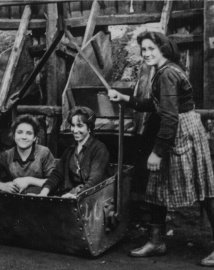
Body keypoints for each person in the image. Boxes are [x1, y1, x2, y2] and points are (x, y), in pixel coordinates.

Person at [108, 31, 214, 267]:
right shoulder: (164, 70)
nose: (146, 54)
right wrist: (125, 99)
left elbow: (168, 117)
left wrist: (157, 152)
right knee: (156, 185)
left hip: (181, 133)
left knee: (204, 188)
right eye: (143, 50)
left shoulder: (167, 74)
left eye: (150, 49)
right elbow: (155, 105)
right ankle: (157, 241)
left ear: (163, 49)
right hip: (175, 130)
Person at [37, 106, 110, 198]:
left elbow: (95, 180)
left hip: (91, 197)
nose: (75, 130)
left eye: (80, 126)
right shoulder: (70, 150)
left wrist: (76, 195)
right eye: (73, 125)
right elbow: (57, 175)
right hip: (70, 195)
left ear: (89, 128)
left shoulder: (99, 149)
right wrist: (44, 192)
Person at [0, 114, 56, 195]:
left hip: (39, 200)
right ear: (14, 135)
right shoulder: (7, 155)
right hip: (16, 201)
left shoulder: (43, 152)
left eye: (29, 133)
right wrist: (2, 186)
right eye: (20, 132)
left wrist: (28, 180)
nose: (24, 137)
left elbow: (55, 181)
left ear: (35, 138)